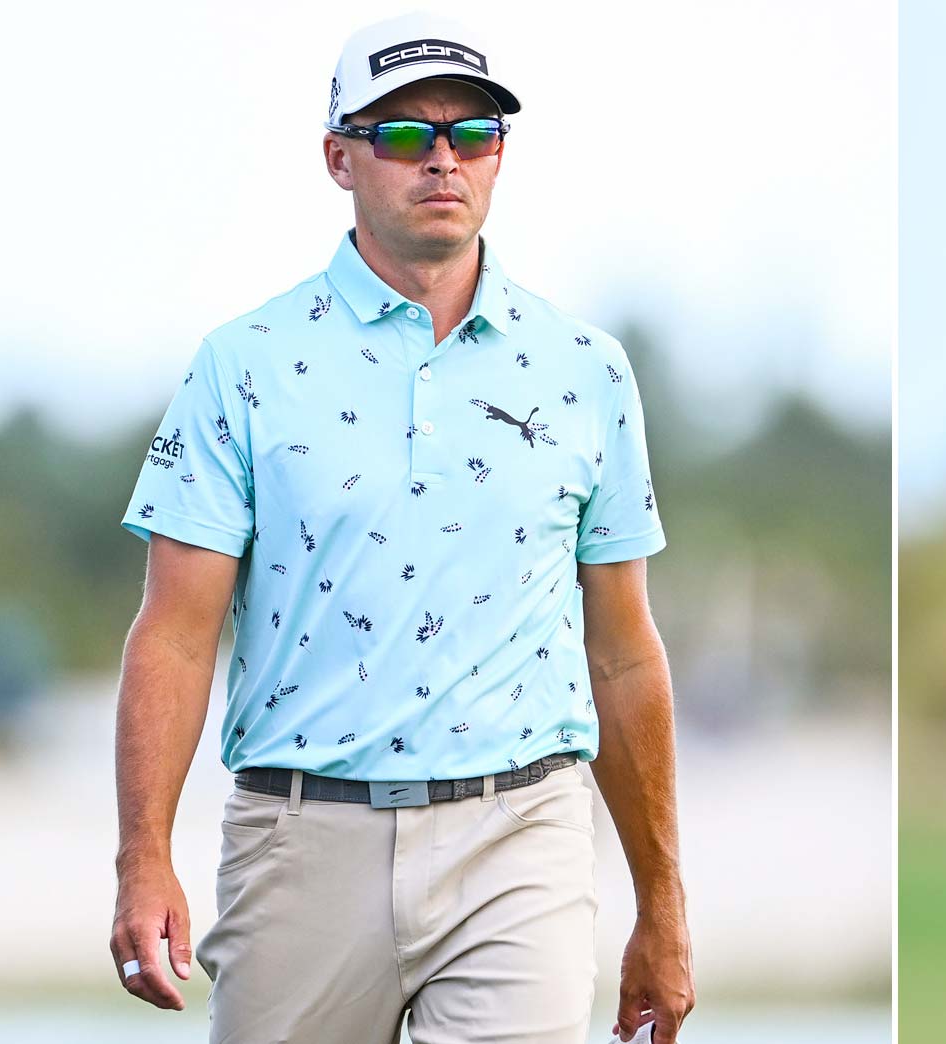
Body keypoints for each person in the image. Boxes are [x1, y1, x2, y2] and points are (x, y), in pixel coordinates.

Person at [109, 12, 694, 1043]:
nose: (441, 160)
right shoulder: (241, 365)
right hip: (302, 837)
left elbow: (622, 654)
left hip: (521, 836)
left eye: (471, 135)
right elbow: (175, 632)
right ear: (339, 158)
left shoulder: (584, 369)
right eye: (402, 135)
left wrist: (663, 902)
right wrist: (142, 855)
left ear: (499, 157)